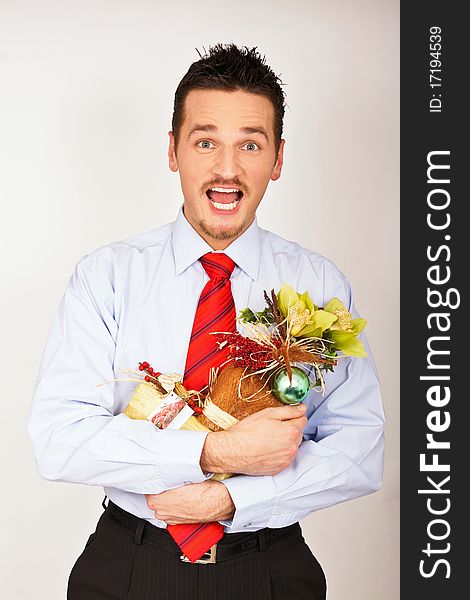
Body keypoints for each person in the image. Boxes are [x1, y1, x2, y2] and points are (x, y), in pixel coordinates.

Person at [28, 43, 384, 600]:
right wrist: (211, 455)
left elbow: (359, 447)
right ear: (173, 151)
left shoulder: (320, 287)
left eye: (250, 143)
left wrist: (235, 499)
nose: (227, 168)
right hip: (129, 566)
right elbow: (59, 438)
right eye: (205, 141)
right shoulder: (107, 277)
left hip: (269, 569)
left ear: (279, 158)